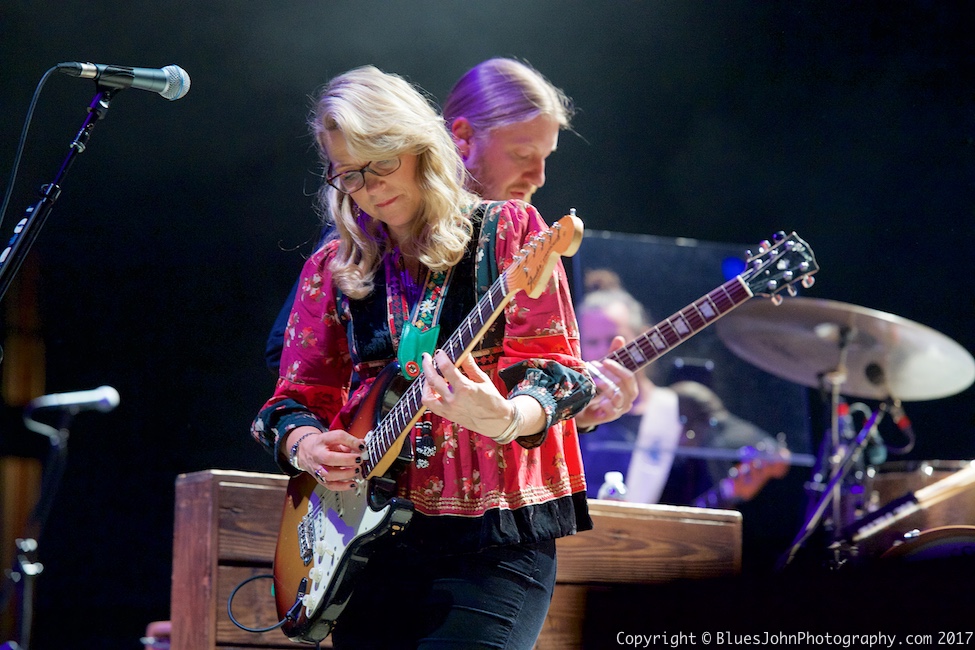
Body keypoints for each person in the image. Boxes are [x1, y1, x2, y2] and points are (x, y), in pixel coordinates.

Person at [251, 65, 596, 649]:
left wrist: (509, 416)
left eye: (382, 163)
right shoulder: (332, 268)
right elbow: (290, 401)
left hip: (492, 543)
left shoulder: (510, 231)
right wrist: (307, 445)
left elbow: (561, 373)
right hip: (369, 545)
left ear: (419, 146)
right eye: (350, 175)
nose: (371, 187)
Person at [264, 57, 637, 429]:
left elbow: (541, 376)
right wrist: (333, 441)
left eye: (545, 157)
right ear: (461, 137)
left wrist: (560, 407)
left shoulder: (514, 231)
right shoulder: (362, 233)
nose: (539, 176)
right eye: (522, 155)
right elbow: (293, 357)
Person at [577, 270, 787, 507]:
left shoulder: (682, 408)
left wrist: (755, 469)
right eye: (592, 342)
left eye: (614, 338)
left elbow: (774, 456)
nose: (605, 352)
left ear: (643, 336)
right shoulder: (570, 414)